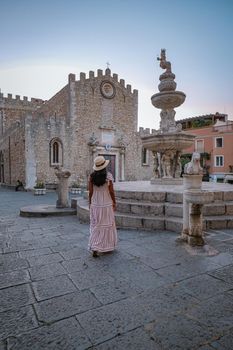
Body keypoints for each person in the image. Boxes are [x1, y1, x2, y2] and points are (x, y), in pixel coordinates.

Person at [88, 156, 117, 257]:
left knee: (96, 225)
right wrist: (114, 202)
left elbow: (90, 191)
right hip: (106, 204)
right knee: (108, 225)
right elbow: (111, 191)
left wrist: (90, 203)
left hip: (95, 203)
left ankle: (95, 246)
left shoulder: (91, 177)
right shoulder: (108, 176)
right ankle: (107, 246)